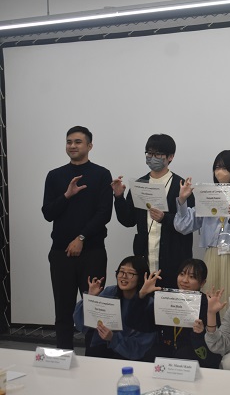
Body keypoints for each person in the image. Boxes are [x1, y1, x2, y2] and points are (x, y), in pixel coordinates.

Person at [42, 125, 112, 349]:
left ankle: (94, 358)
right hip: (60, 253)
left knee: (94, 310)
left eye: (78, 142)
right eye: (69, 142)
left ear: (89, 146)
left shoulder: (102, 174)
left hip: (92, 252)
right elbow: (48, 213)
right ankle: (63, 357)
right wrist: (66, 195)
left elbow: (104, 214)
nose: (72, 146)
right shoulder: (55, 176)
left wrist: (81, 238)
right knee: (63, 311)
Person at [111, 134, 194, 289]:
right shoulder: (140, 184)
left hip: (174, 258)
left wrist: (165, 218)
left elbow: (189, 224)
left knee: (170, 300)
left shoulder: (181, 186)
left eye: (158, 154)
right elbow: (128, 220)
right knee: (145, 300)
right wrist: (119, 197)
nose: (152, 158)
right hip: (145, 259)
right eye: (149, 153)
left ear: (170, 157)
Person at [174, 150, 230, 305]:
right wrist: (182, 201)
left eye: (224, 167)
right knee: (210, 301)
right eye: (217, 167)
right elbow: (183, 226)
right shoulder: (208, 195)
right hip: (212, 255)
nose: (219, 172)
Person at [127, 258, 222, 368]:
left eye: (192, 277)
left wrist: (201, 333)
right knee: (152, 354)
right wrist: (141, 295)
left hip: (195, 352)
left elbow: (215, 344)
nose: (184, 280)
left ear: (202, 283)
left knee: (184, 355)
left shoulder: (207, 303)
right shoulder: (167, 297)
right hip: (168, 349)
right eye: (182, 274)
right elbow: (136, 323)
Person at [73, 256, 156, 360]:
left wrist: (113, 338)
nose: (124, 276)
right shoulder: (110, 292)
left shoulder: (148, 303)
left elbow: (141, 345)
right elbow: (81, 323)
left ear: (141, 277)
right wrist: (90, 298)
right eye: (121, 272)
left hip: (130, 353)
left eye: (130, 273)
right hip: (104, 346)